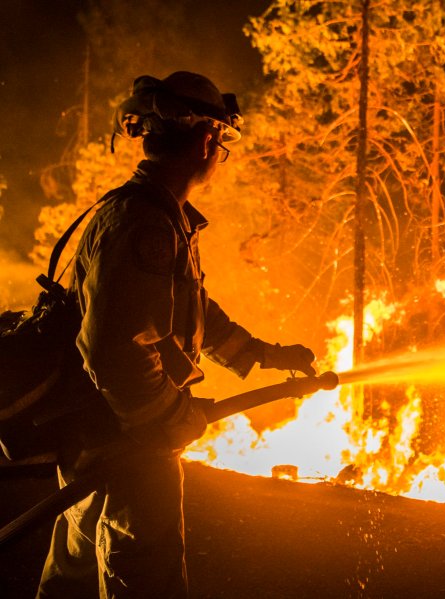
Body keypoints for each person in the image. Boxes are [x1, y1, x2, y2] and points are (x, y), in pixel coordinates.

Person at [37, 71, 319, 599]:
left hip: (96, 430)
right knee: (142, 576)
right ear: (207, 140)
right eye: (220, 143)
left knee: (73, 574)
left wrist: (260, 354)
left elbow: (187, 310)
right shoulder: (146, 223)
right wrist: (169, 419)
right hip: (126, 440)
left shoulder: (156, 215)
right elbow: (114, 353)